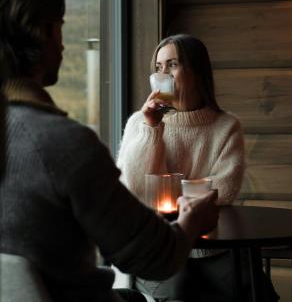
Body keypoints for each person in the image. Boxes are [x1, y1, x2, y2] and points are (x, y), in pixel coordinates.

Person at [0, 0, 219, 302]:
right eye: (60, 26)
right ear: (41, 33)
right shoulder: (65, 143)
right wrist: (191, 219)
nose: (63, 43)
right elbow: (156, 256)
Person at [117, 34, 278, 301]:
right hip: (161, 247)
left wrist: (162, 190)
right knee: (180, 292)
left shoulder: (226, 126)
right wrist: (152, 129)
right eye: (158, 67)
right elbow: (133, 188)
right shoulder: (140, 123)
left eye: (172, 65)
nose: (162, 75)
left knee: (259, 293)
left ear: (196, 72)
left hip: (216, 248)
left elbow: (224, 190)